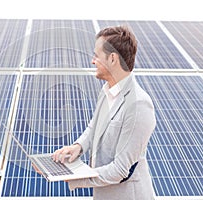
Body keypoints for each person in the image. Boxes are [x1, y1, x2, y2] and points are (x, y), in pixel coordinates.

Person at [51, 25, 156, 199]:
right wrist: (78, 147)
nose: (93, 60)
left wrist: (73, 177)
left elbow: (120, 170)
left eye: (97, 55)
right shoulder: (107, 90)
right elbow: (95, 127)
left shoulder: (138, 105)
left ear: (113, 58)